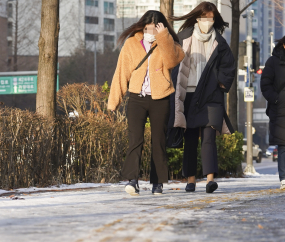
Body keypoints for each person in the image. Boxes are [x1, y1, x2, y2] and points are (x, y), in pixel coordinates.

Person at [108, 10, 185, 195]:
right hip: (137, 98)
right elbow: (121, 72)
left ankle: (157, 183)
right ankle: (132, 181)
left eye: (155, 27)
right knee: (135, 139)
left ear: (162, 28)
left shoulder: (168, 43)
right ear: (142, 26)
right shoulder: (132, 44)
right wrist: (114, 101)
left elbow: (172, 61)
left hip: (161, 98)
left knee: (158, 141)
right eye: (148, 27)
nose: (151, 30)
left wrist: (163, 37)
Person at [168, 1, 235, 193]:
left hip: (211, 97)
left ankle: (210, 180)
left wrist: (218, 83)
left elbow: (229, 68)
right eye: (205, 17)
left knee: (209, 138)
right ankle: (190, 179)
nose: (208, 21)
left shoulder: (220, 43)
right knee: (190, 138)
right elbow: (174, 65)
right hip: (188, 94)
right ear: (197, 18)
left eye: (211, 18)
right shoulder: (184, 38)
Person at [261, 36, 285, 190]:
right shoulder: (273, 62)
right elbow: (265, 84)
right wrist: (276, 100)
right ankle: (284, 178)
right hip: (280, 109)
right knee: (283, 145)